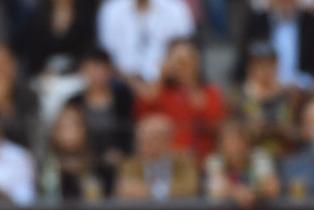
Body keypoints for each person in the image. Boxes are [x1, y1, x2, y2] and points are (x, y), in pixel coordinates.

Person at [136, 37, 226, 160]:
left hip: (204, 157)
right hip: (169, 160)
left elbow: (215, 123)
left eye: (187, 61)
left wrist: (190, 85)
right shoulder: (163, 92)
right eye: (179, 62)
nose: (183, 67)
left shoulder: (211, 92)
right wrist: (161, 75)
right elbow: (142, 112)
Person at [65, 50, 133, 189]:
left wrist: (124, 153)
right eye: (90, 70)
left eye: (100, 69)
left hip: (120, 164)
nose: (95, 75)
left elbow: (132, 129)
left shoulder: (124, 99)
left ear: (109, 71)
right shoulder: (73, 101)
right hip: (85, 162)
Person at [95, 0, 193, 89]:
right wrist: (132, 82)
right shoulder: (111, 11)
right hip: (122, 87)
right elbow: (107, 57)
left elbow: (186, 53)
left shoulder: (176, 9)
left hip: (169, 85)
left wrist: (161, 80)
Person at [238, 0, 314, 88]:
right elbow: (243, 65)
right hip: (263, 91)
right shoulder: (256, 22)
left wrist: (302, 82)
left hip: (303, 91)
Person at [115, 111, 198, 200]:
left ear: (166, 141)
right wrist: (164, 191)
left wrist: (151, 191)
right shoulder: (131, 164)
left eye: (149, 140)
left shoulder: (184, 161)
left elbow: (190, 188)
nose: (141, 146)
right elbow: (124, 189)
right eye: (140, 140)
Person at [204, 118, 281, 206]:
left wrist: (253, 193)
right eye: (228, 142)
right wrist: (235, 192)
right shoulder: (214, 161)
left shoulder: (259, 157)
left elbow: (273, 188)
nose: (233, 147)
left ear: (246, 143)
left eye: (237, 140)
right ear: (221, 146)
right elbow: (216, 189)